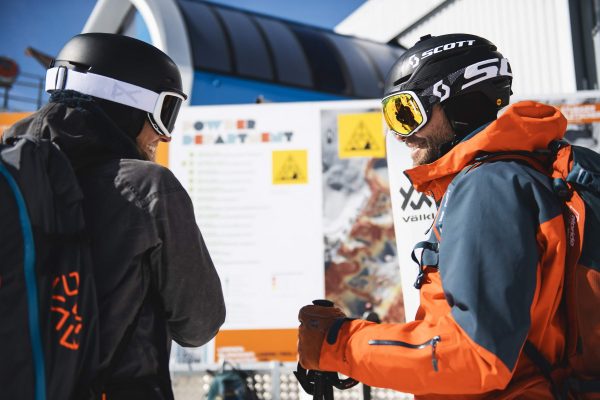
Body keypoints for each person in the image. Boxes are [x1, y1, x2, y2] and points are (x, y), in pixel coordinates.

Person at [297, 33, 571, 399]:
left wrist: (339, 344)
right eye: (393, 118)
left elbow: (475, 355)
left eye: (405, 113)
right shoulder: (517, 177)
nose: (401, 136)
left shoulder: (487, 188)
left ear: (455, 100)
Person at [3, 33, 226, 399]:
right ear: (126, 102)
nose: (162, 136)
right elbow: (199, 324)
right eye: (164, 112)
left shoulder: (12, 181)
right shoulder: (147, 187)